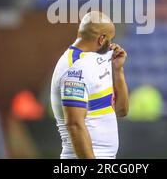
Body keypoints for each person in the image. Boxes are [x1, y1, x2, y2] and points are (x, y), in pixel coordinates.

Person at [50, 11, 129, 159]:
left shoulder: (97, 59)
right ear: (101, 39)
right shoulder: (74, 68)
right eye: (110, 39)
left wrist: (118, 70)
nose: (112, 44)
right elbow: (74, 124)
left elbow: (121, 110)